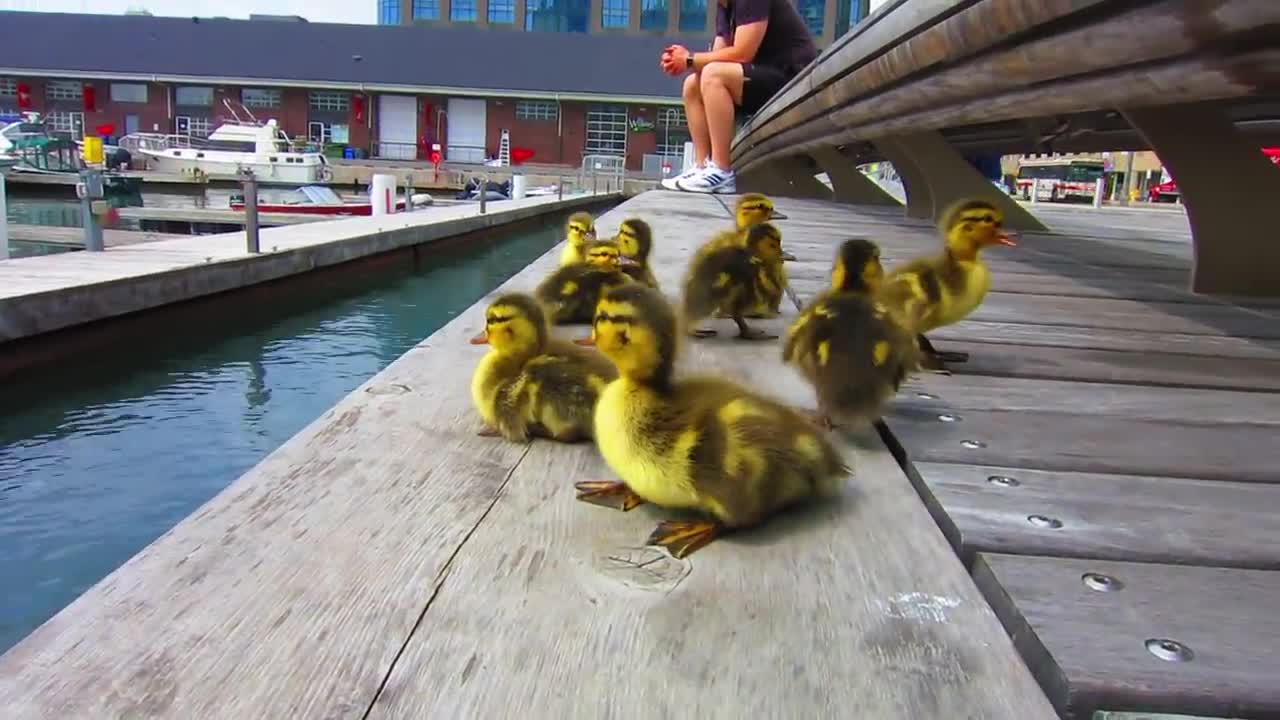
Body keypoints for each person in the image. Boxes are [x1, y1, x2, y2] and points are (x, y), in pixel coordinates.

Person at [659, 0, 818, 194]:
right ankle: (701, 167)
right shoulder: (725, 7)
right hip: (764, 78)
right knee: (693, 84)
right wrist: (682, 61)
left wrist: (689, 59)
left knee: (713, 75)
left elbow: (743, 53)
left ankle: (721, 171)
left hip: (792, 82)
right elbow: (718, 55)